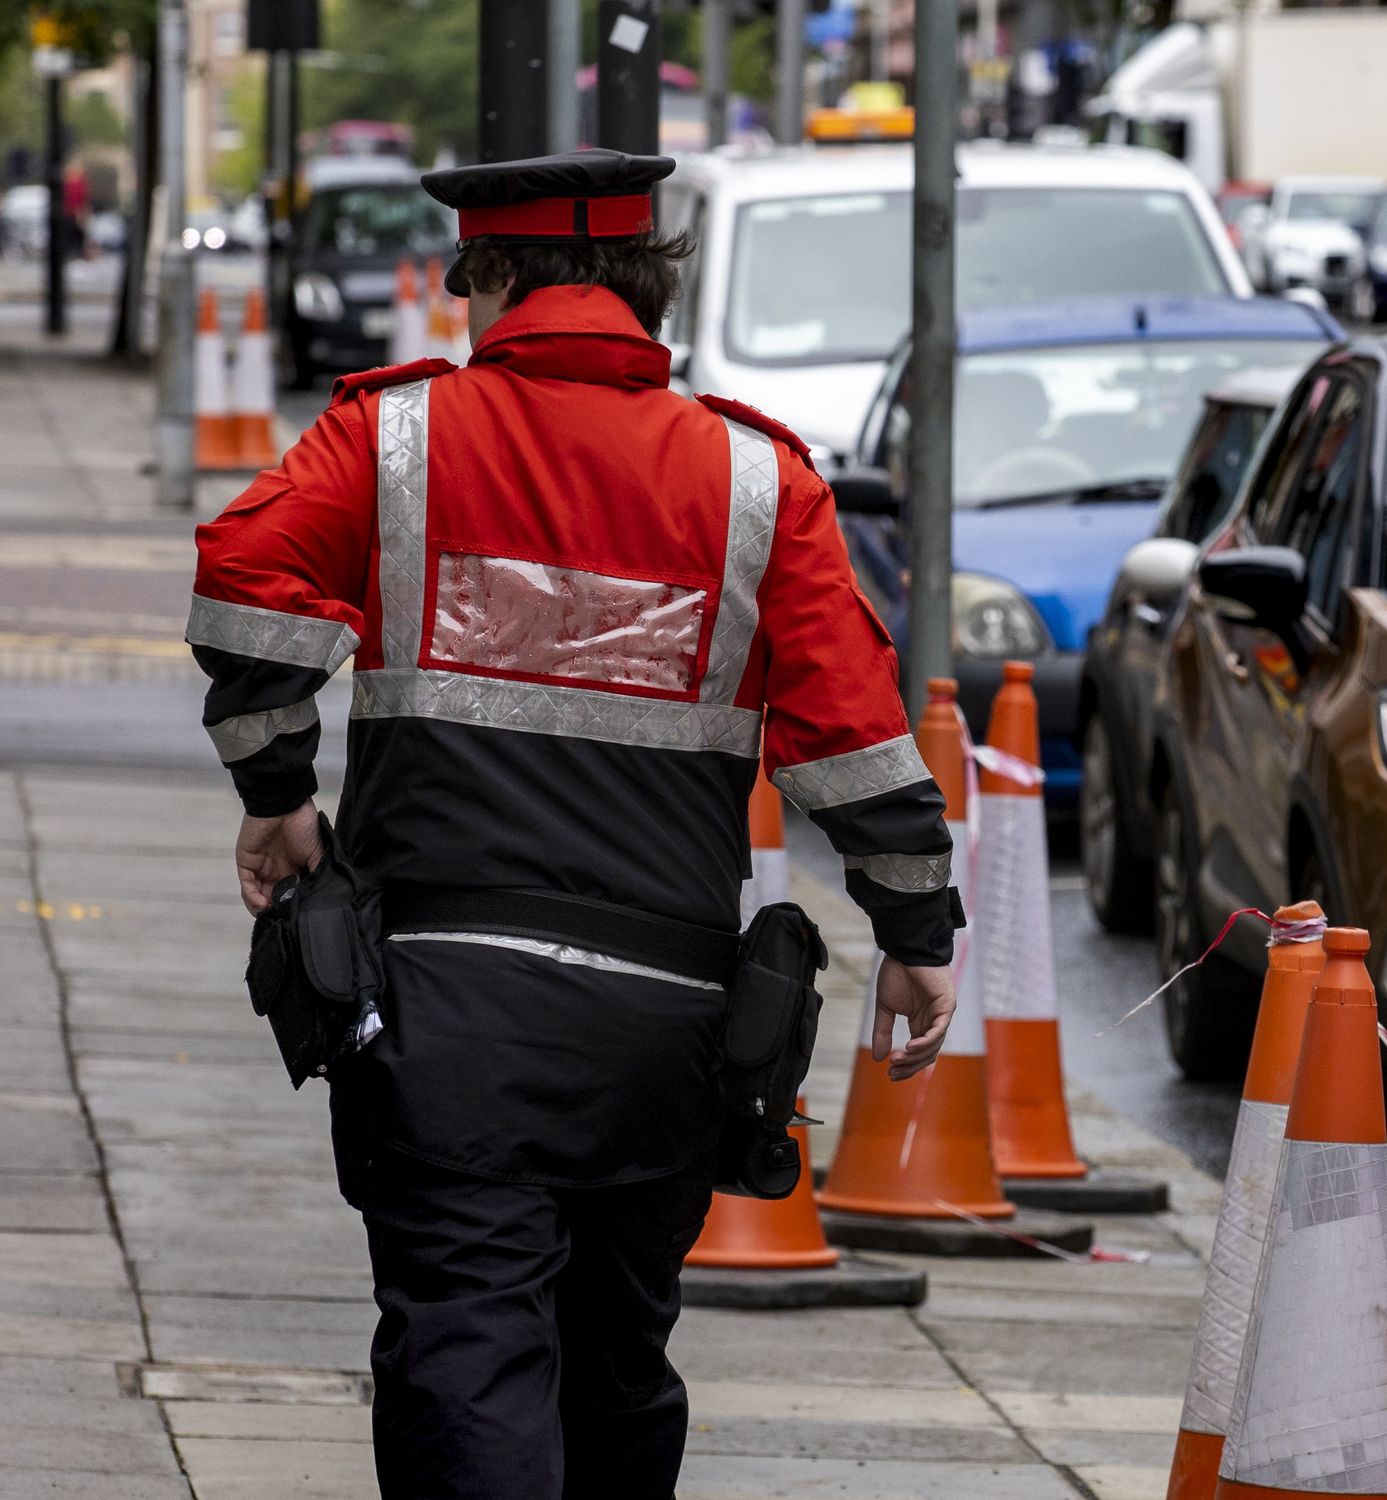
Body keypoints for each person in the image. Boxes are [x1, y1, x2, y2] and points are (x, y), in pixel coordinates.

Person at [185, 147, 961, 1500]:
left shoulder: (396, 437)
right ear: (650, 285)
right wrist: (916, 928)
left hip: (441, 1017)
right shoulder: (760, 481)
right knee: (615, 1361)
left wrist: (279, 797)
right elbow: (853, 723)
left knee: (465, 1349)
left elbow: (246, 573)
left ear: (487, 276)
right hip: (664, 1028)